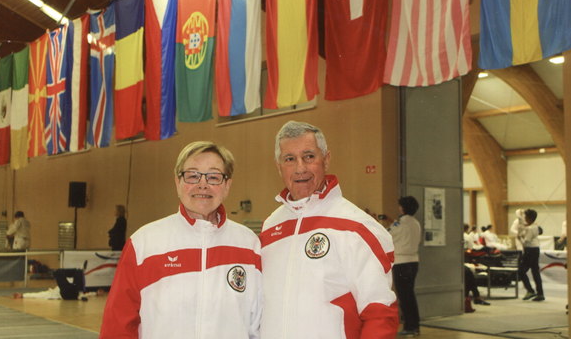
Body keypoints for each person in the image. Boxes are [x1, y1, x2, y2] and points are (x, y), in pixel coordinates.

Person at [100, 141, 262, 338]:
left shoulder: (249, 244)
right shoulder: (144, 243)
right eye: (192, 175)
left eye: (213, 177)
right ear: (178, 183)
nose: (202, 184)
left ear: (227, 185)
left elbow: (258, 325)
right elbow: (117, 326)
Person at [259, 121, 398, 339]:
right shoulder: (270, 227)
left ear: (327, 159)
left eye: (309, 156)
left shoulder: (358, 227)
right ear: (279, 167)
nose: (300, 168)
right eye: (289, 159)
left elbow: (380, 314)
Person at [389, 196, 421, 336]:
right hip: (414, 262)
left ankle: (410, 327)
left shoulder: (400, 223)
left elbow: (388, 235)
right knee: (410, 295)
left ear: (403, 207)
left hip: (401, 263)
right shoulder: (415, 223)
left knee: (404, 296)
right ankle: (415, 326)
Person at [517, 209, 544, 302]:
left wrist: (519, 238)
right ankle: (540, 293)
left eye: (525, 216)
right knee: (535, 272)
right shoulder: (535, 226)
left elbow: (526, 241)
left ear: (529, 218)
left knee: (521, 271)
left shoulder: (530, 228)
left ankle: (530, 290)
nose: (524, 218)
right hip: (536, 249)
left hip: (530, 250)